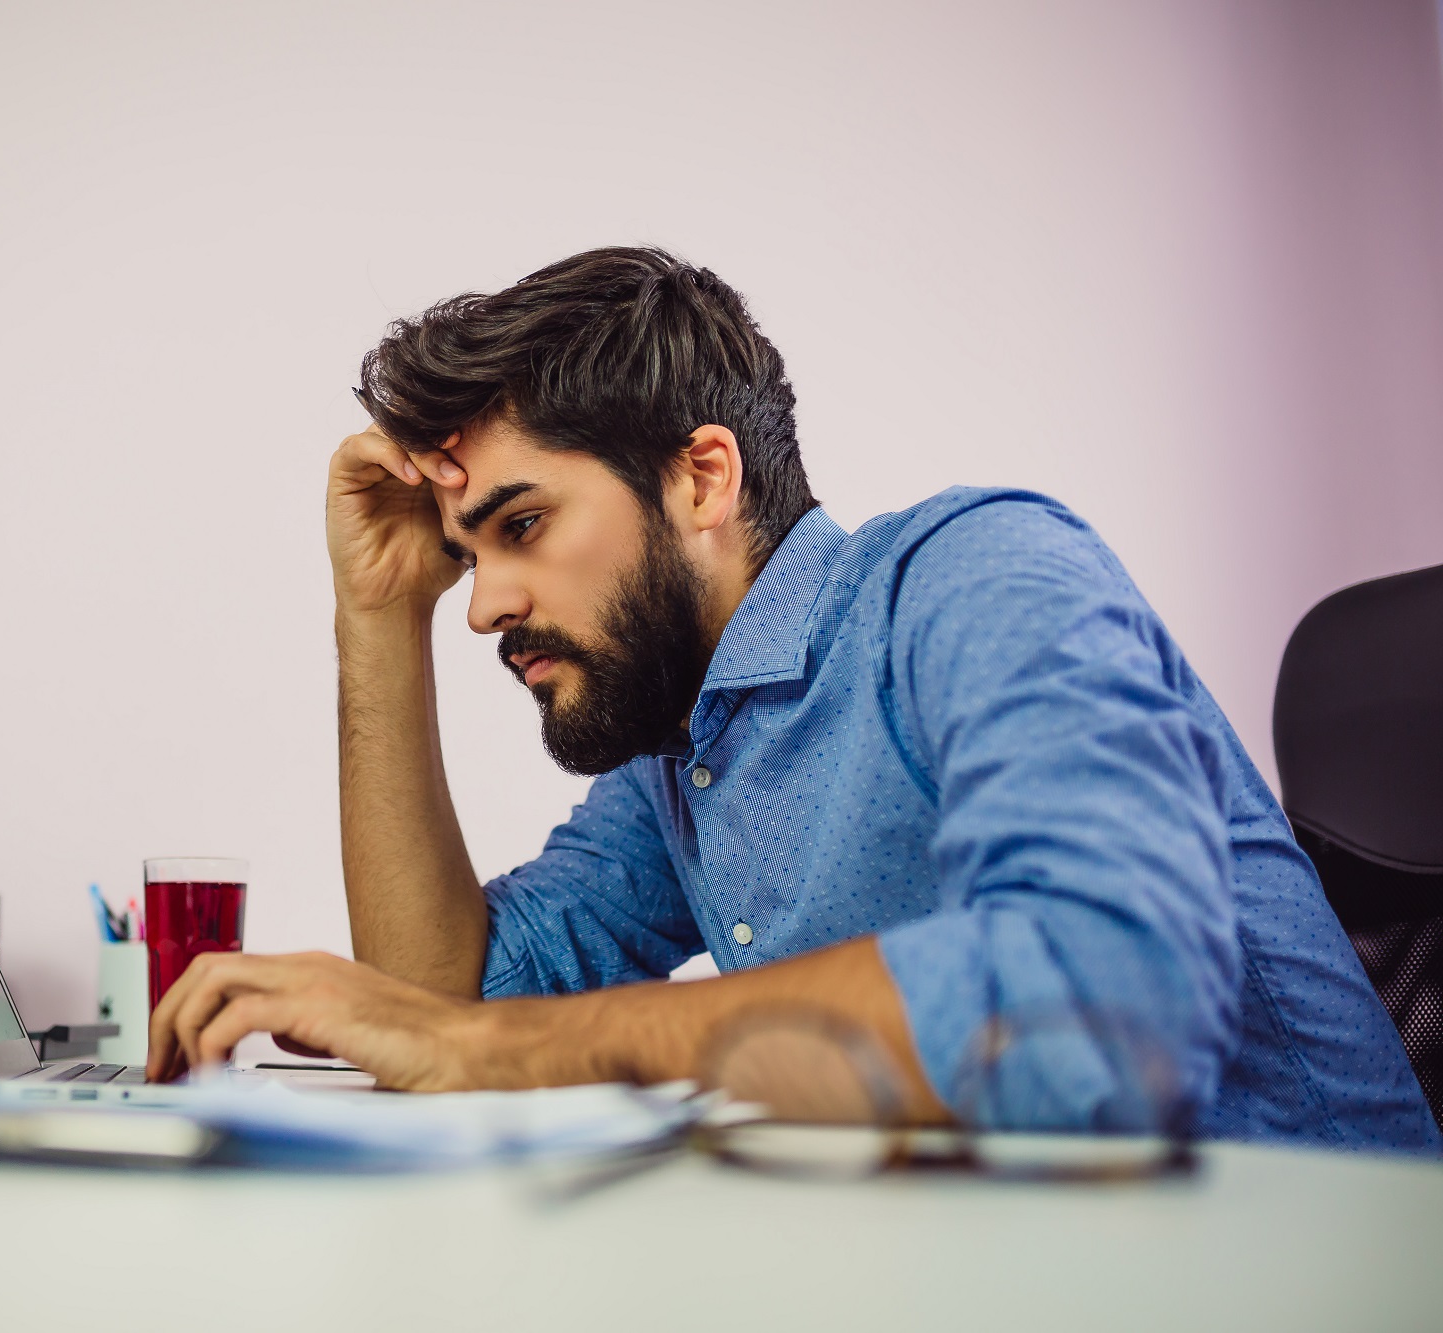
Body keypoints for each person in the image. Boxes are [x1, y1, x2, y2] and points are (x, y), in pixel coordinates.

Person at [146, 246, 1436, 1149]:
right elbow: (442, 1010)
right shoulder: (677, 751)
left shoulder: (974, 572)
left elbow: (1101, 999)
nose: (483, 604)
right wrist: (380, 614)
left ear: (702, 479)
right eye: (465, 552)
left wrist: (519, 1050)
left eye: (521, 525)